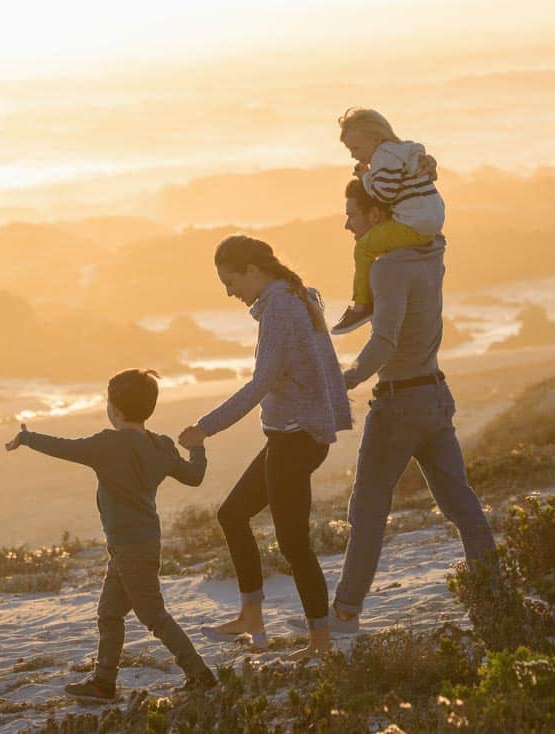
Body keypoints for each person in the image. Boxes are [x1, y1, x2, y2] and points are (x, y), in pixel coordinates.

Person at [294, 180, 496, 634]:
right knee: (462, 507)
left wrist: (344, 380)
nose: (346, 222)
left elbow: (383, 340)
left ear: (378, 217)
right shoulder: (431, 254)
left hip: (399, 403)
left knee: (366, 510)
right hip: (435, 396)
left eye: (352, 212)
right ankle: (493, 597)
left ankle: (344, 613)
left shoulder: (386, 268)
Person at [178, 235, 351, 660]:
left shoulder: (281, 306)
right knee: (232, 514)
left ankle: (321, 643)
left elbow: (260, 383)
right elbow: (321, 366)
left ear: (253, 271)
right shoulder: (294, 296)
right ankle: (252, 618)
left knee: (293, 544)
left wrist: (205, 427)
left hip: (295, 437)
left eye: (230, 281)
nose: (229, 292)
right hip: (296, 434)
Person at [5, 368, 217, 701]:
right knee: (109, 613)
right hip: (136, 545)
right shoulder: (161, 446)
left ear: (114, 410)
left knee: (153, 616)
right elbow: (194, 477)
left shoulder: (107, 444)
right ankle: (104, 683)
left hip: (131, 548)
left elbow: (66, 448)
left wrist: (28, 438)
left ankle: (200, 674)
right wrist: (198, 448)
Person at [331, 107, 445, 335]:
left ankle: (361, 306)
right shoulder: (403, 151)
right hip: (433, 217)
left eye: (356, 148)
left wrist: (366, 178)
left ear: (376, 138)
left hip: (415, 223)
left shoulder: (383, 156)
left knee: (363, 248)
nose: (353, 155)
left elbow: (386, 193)